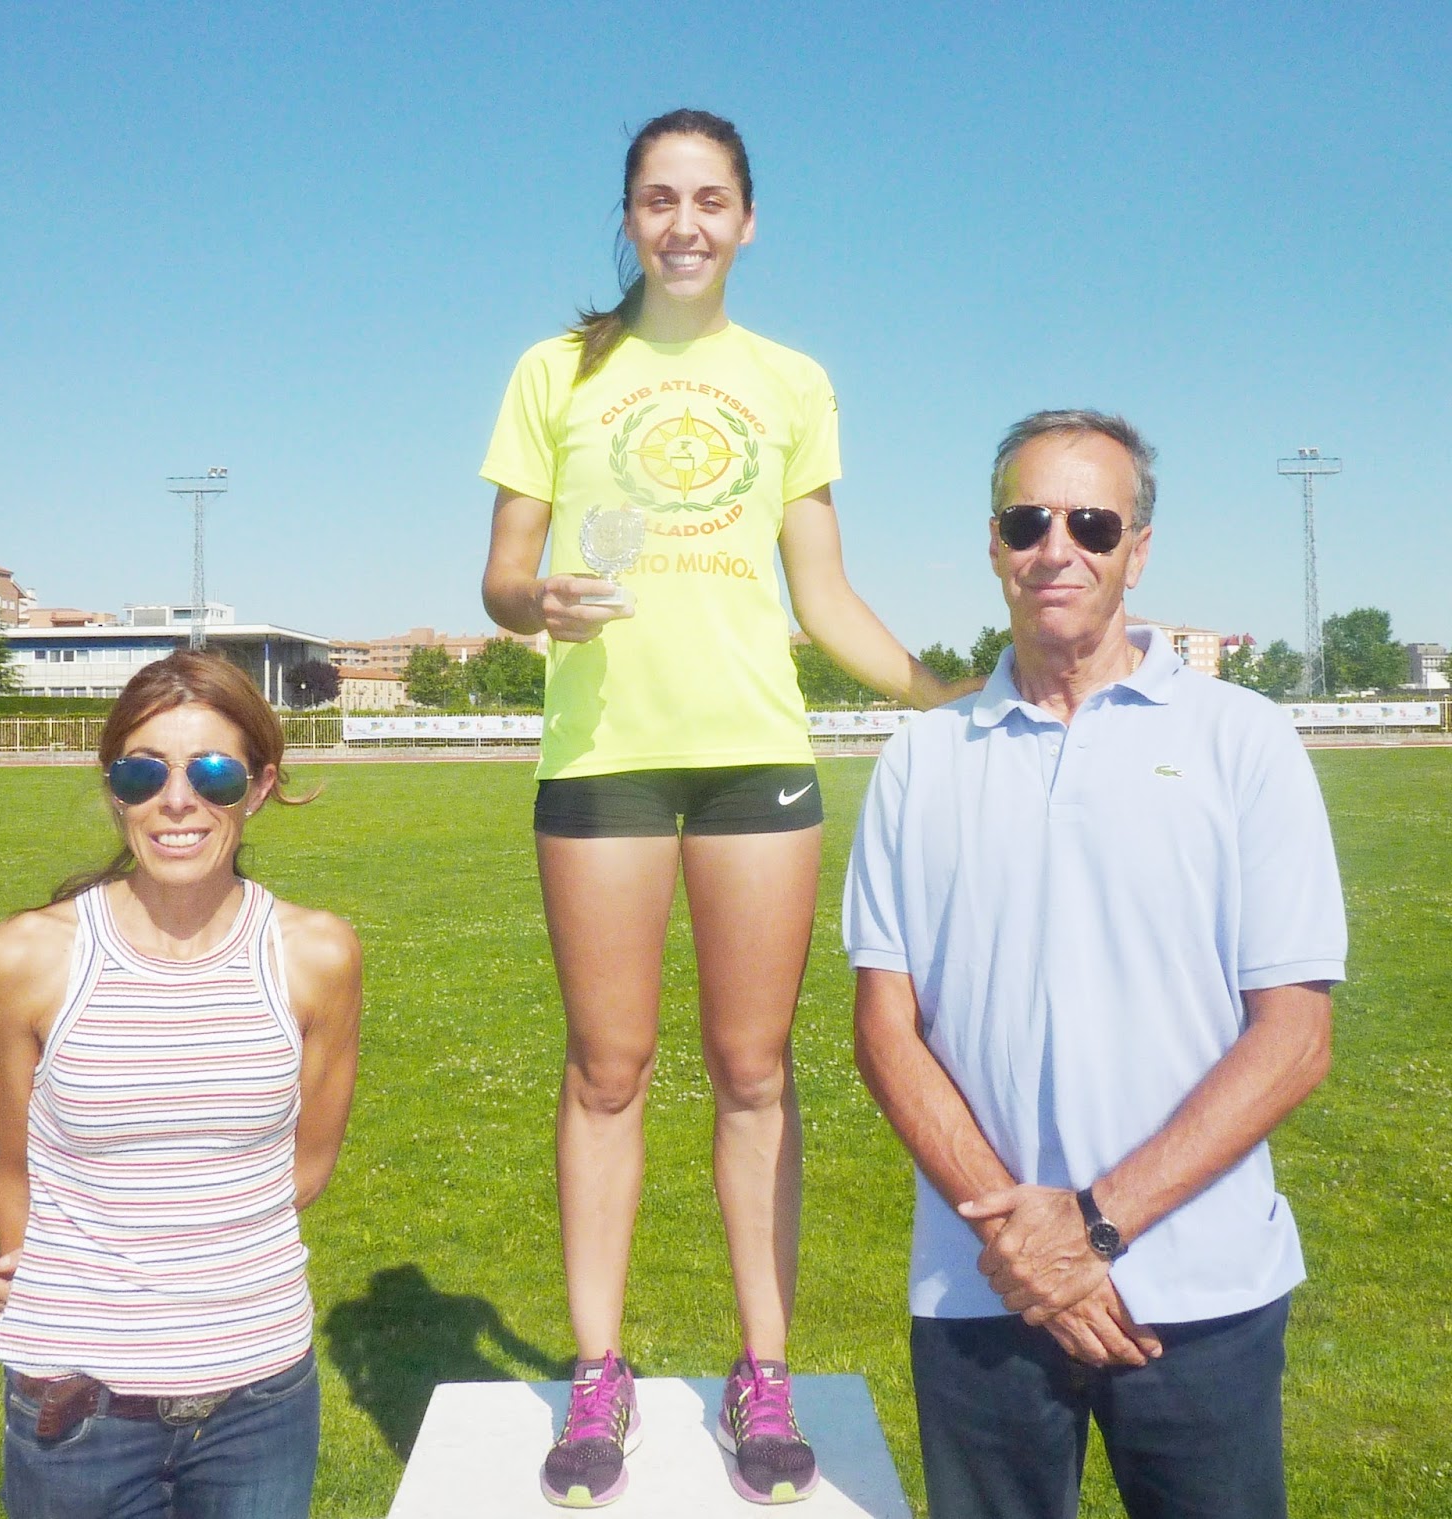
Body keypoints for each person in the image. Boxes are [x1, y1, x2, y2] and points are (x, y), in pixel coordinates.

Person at [480, 107, 971, 1509]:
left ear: (747, 221)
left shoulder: (792, 381)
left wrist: (950, 694)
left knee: (754, 1069)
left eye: (708, 200)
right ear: (629, 218)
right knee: (608, 1066)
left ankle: (766, 1369)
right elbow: (501, 576)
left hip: (757, 757)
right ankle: (597, 1371)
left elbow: (825, 594)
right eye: (658, 198)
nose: (683, 222)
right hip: (603, 760)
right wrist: (535, 599)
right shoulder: (556, 369)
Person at [845, 410, 1347, 1519]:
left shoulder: (1241, 738)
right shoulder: (921, 759)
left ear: (1138, 548)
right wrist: (1025, 1248)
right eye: (1028, 521)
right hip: (982, 1288)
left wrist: (1095, 1226)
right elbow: (885, 1028)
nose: (1056, 548)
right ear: (994, 543)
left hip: (1199, 1288)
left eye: (1091, 523)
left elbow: (1294, 1035)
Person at [0, 650, 362, 1519]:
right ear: (115, 790)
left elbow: (307, 1166)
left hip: (261, 1399)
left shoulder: (316, 955)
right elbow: (11, 1164)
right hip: (75, 1405)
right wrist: (35, 1269)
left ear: (258, 787)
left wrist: (189, 1269)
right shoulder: (25, 957)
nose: (176, 800)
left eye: (212, 773)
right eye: (143, 772)